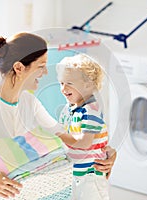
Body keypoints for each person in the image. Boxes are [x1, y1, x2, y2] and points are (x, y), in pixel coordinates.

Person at [0, 32, 116, 200]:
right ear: (19, 68)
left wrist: (103, 151)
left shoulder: (30, 102)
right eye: (41, 66)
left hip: (11, 192)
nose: (45, 73)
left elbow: (67, 140)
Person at [56, 54, 110, 200]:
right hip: (76, 173)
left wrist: (57, 133)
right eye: (61, 83)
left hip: (90, 176)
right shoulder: (71, 108)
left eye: (69, 83)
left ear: (88, 85)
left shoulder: (92, 110)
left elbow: (85, 142)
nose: (63, 88)